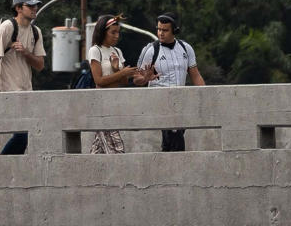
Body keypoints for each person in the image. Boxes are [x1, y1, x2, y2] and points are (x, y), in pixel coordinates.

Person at [135, 12, 204, 151]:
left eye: (165, 30)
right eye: (159, 29)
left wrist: (206, 95)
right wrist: (146, 78)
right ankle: (178, 167)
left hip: (181, 103)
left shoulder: (186, 48)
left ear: (175, 30)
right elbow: (137, 79)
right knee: (174, 137)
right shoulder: (150, 50)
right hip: (160, 104)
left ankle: (168, 168)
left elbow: (195, 75)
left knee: (172, 142)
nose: (160, 33)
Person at [0, 0, 46, 155]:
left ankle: (7, 166)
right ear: (18, 8)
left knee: (27, 135)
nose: (34, 8)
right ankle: (2, 163)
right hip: (9, 91)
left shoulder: (36, 32)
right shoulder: (7, 27)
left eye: (35, 5)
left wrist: (25, 52)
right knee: (22, 135)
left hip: (27, 91)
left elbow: (40, 65)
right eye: (30, 6)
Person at [85, 13, 141, 153]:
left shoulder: (117, 51)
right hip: (101, 105)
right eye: (113, 32)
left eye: (118, 33)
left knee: (98, 149)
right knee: (117, 148)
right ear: (103, 32)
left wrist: (117, 68)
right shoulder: (95, 50)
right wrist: (121, 72)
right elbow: (99, 80)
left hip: (115, 104)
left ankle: (86, 173)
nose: (116, 36)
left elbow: (123, 82)